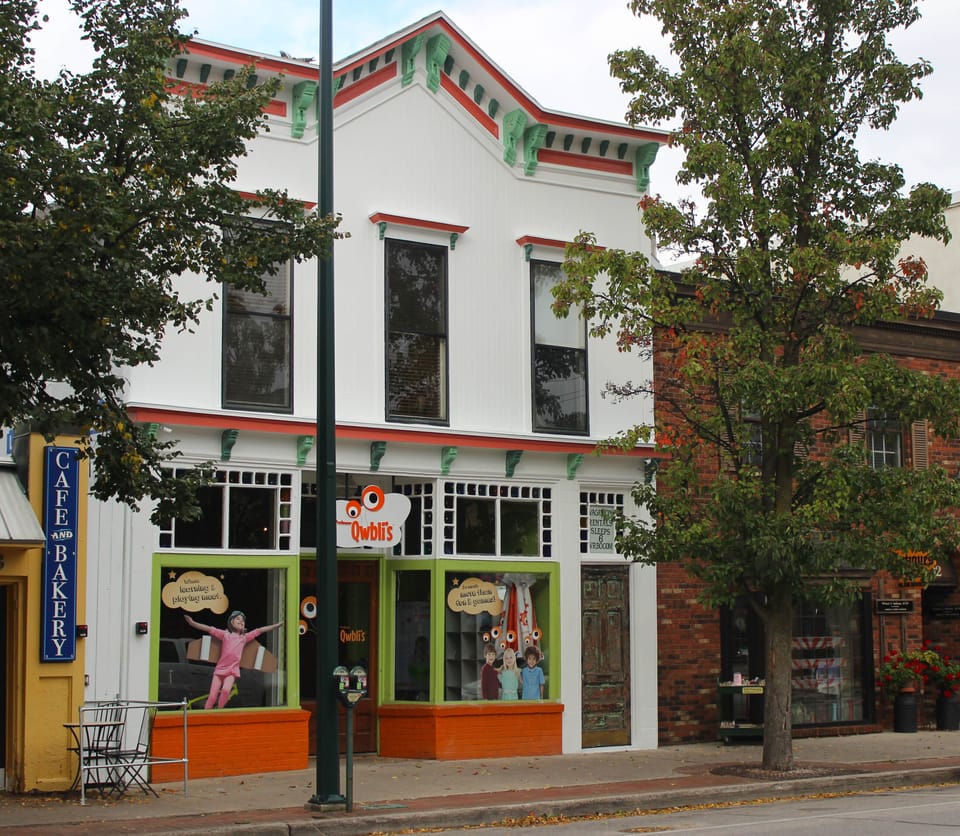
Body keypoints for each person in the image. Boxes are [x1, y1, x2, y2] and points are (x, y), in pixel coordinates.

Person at [184, 611, 283, 709]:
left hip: (232, 671)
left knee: (226, 690)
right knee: (212, 696)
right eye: (238, 619)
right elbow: (208, 629)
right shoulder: (225, 635)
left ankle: (219, 710)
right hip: (219, 671)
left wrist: (275, 626)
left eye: (243, 620)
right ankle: (205, 714)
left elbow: (259, 630)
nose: (241, 621)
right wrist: (192, 623)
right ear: (231, 622)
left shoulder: (244, 638)